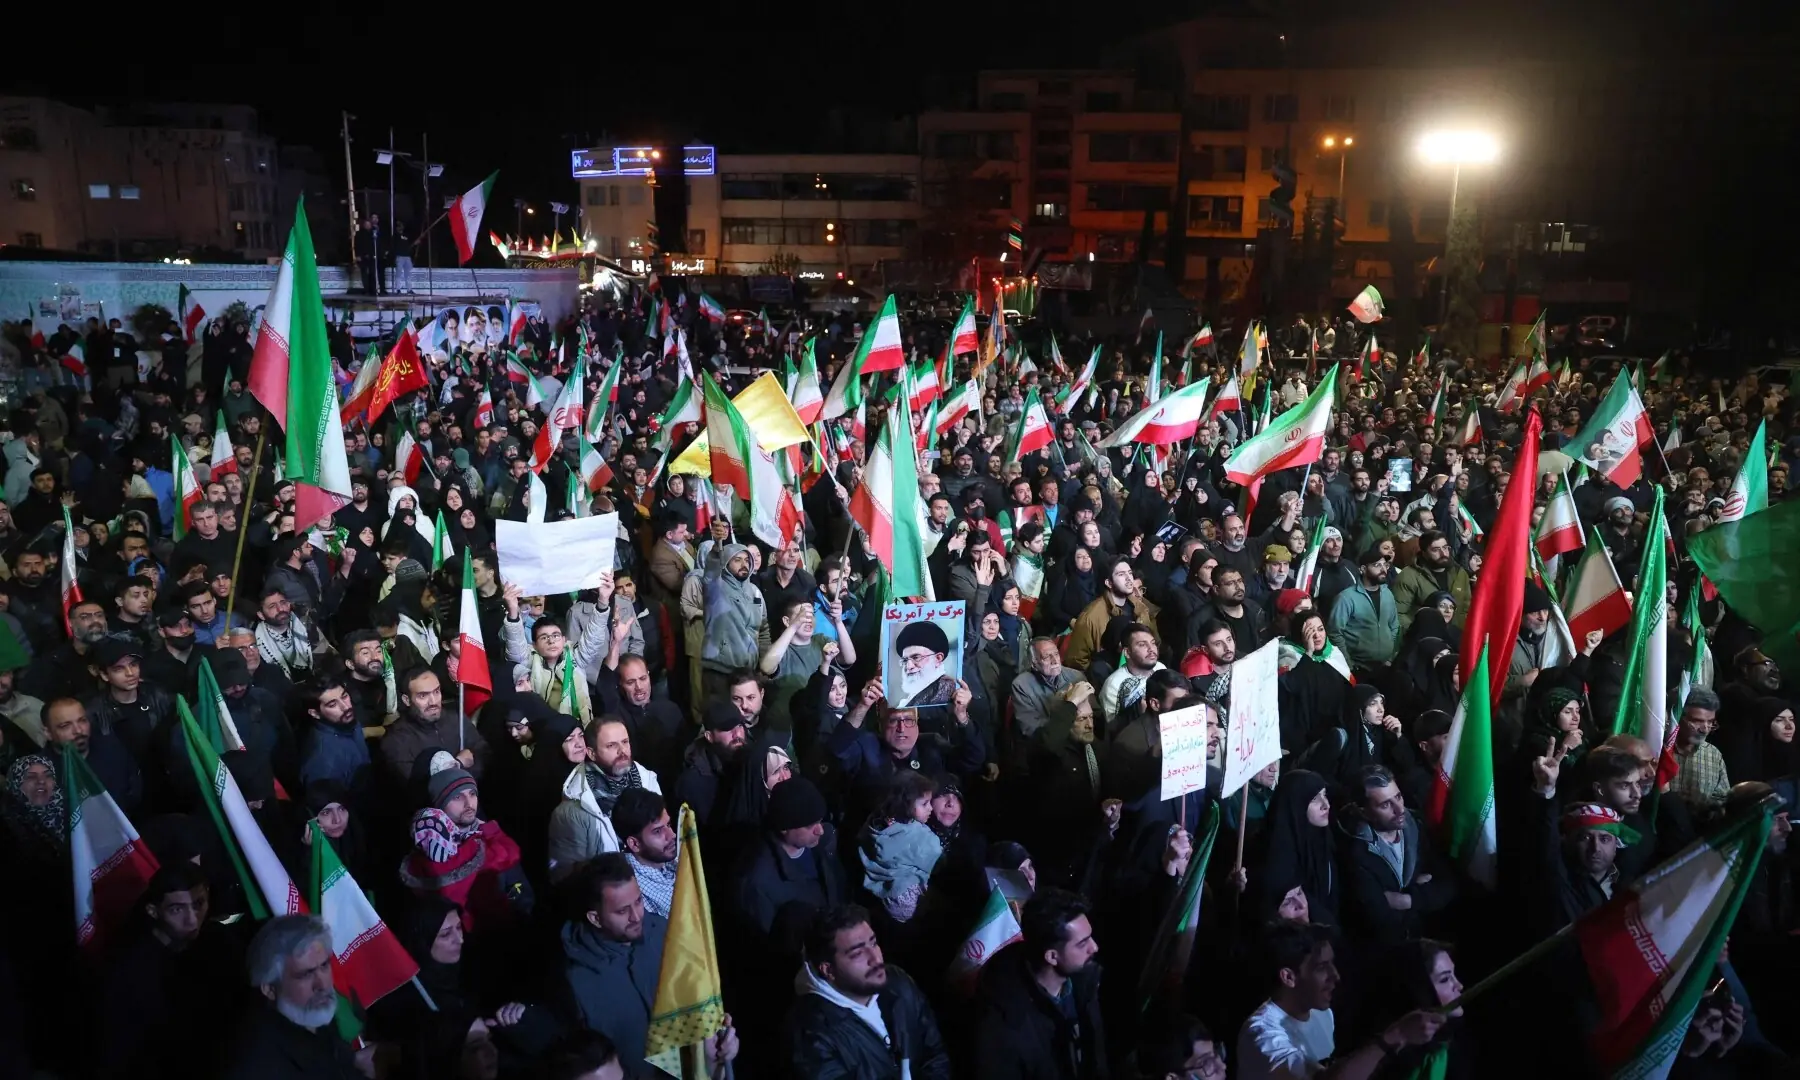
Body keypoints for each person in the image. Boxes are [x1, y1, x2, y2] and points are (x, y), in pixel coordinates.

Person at [1235, 922, 1444, 1080]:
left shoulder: (1321, 1011)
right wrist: (1397, 1035)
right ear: (1289, 977)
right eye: (1322, 967)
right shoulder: (1261, 1037)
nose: (1335, 976)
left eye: (1332, 964)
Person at [784, 903, 952, 1079]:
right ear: (828, 970)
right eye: (857, 953)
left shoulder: (898, 982)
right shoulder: (810, 1033)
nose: (876, 959)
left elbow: (935, 1055)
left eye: (874, 943)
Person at [972, 887, 1108, 1079]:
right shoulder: (1004, 1024)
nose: (1094, 947)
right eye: (1082, 943)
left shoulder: (1084, 982)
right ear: (1052, 956)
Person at [223, 915, 370, 1078]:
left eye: (324, 965)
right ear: (269, 989)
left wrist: (357, 1062)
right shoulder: (258, 1063)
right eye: (306, 974)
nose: (322, 985)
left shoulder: (315, 1019)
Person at [547, 718, 663, 881]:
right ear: (592, 753)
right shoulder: (574, 808)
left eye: (625, 742)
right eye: (611, 745)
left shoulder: (647, 780)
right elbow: (564, 874)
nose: (622, 751)